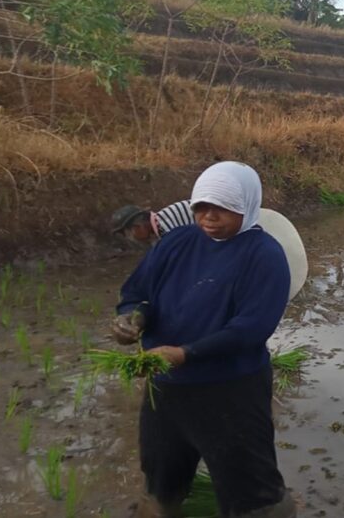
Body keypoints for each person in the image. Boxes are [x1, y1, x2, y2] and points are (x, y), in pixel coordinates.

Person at [110, 162, 295, 518]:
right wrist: (133, 317)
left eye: (222, 208)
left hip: (231, 394)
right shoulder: (177, 242)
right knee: (161, 480)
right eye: (201, 207)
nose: (209, 217)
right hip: (165, 392)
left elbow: (251, 329)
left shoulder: (265, 256)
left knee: (251, 491)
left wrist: (185, 353)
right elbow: (138, 293)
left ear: (247, 206)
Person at [111, 200, 193, 244]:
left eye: (128, 234)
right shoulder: (164, 218)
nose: (132, 239)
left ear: (138, 227)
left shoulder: (166, 229)